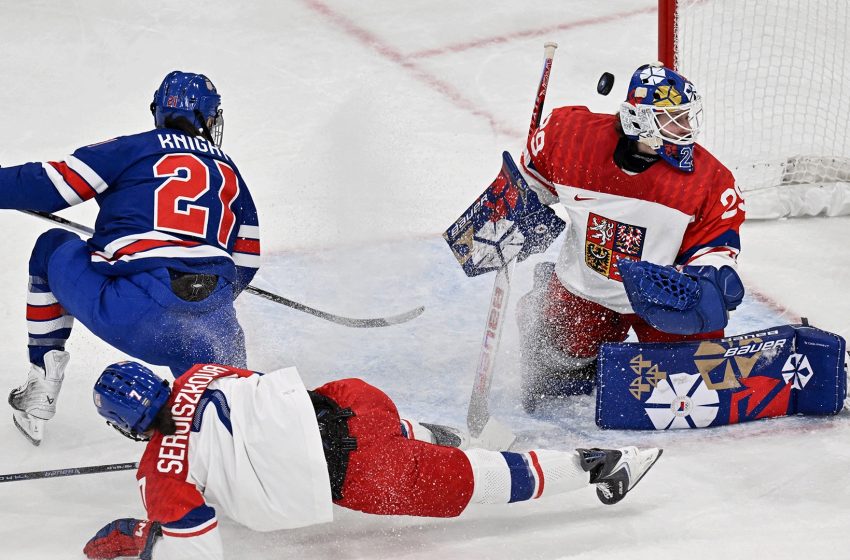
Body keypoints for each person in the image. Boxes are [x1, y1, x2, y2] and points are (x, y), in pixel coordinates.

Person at [82, 361, 662, 560]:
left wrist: (147, 538)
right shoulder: (198, 375)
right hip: (353, 399)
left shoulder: (159, 472)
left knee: (474, 485)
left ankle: (597, 465)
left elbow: (198, 547)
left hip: (362, 471)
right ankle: (425, 434)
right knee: (362, 424)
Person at [0, 71, 260, 445]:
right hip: (215, 332)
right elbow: (246, 260)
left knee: (52, 245)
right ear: (208, 117)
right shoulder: (229, 170)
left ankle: (41, 387)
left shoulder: (132, 148)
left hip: (137, 315)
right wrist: (196, 290)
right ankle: (208, 428)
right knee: (234, 422)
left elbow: (51, 186)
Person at [516, 62, 746, 411]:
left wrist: (712, 273)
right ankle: (546, 297)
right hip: (586, 288)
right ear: (640, 122)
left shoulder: (710, 179)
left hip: (662, 295)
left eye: (686, 116)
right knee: (558, 371)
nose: (686, 128)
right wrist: (514, 206)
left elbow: (714, 242)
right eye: (674, 119)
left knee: (687, 383)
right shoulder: (572, 138)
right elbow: (533, 184)